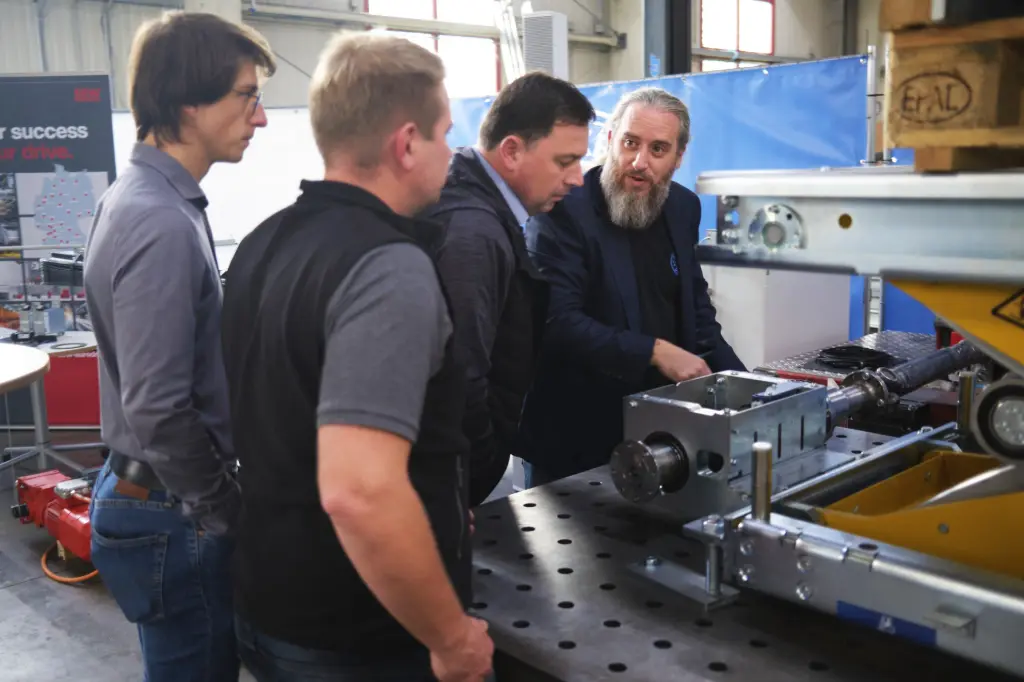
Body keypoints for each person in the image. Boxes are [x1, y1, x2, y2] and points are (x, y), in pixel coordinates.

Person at [220, 32, 494, 682]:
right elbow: (360, 491)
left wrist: (438, 502)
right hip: (359, 635)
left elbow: (285, 415)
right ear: (407, 143)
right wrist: (451, 638)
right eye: (445, 135)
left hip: (268, 601)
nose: (452, 153)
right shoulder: (388, 268)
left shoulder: (262, 243)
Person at [82, 11, 275, 682]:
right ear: (189, 102)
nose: (260, 117)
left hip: (154, 493)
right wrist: (223, 510)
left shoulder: (142, 199)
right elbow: (159, 406)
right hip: (173, 506)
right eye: (246, 96)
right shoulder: (158, 220)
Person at [520, 87, 745, 486]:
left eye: (658, 149)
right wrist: (654, 351)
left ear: (678, 157)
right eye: (630, 143)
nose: (640, 162)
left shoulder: (682, 207)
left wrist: (755, 395)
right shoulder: (563, 209)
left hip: (661, 435)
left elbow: (699, 318)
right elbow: (556, 323)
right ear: (610, 140)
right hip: (574, 438)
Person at [421, 71, 594, 506]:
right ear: (512, 150)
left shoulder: (473, 205)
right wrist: (475, 471)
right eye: (565, 161)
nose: (577, 179)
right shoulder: (473, 234)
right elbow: (461, 378)